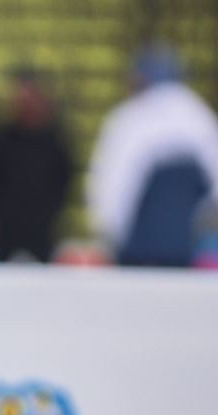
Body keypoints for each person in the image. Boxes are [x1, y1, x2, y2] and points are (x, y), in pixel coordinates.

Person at [87, 46, 218, 267]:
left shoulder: (127, 119)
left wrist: (109, 236)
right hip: (186, 251)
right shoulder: (201, 117)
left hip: (136, 253)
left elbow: (111, 190)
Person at [0, 69, 73, 263]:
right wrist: (0, 210)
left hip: (42, 235)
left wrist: (47, 213)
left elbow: (64, 180)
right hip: (4, 234)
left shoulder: (54, 141)